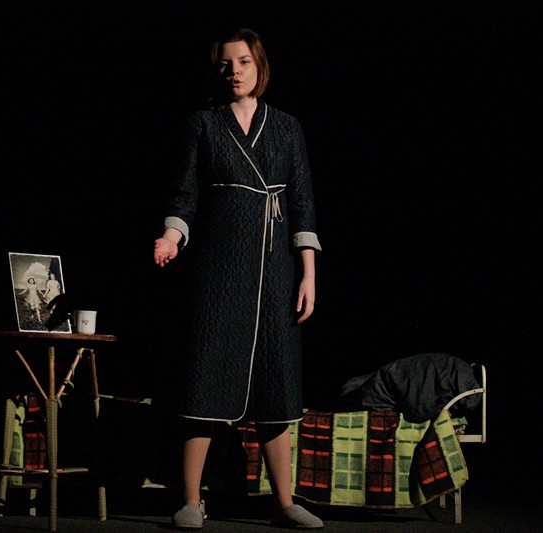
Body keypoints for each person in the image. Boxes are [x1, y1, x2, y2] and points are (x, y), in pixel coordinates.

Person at [152, 27, 323, 530]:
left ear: (259, 66)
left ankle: (284, 503)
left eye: (244, 62)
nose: (235, 72)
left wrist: (308, 274)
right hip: (219, 270)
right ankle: (191, 499)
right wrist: (171, 236)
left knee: (276, 384)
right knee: (205, 378)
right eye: (227, 64)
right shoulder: (204, 124)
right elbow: (185, 194)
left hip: (275, 272)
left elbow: (303, 202)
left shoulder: (287, 127)